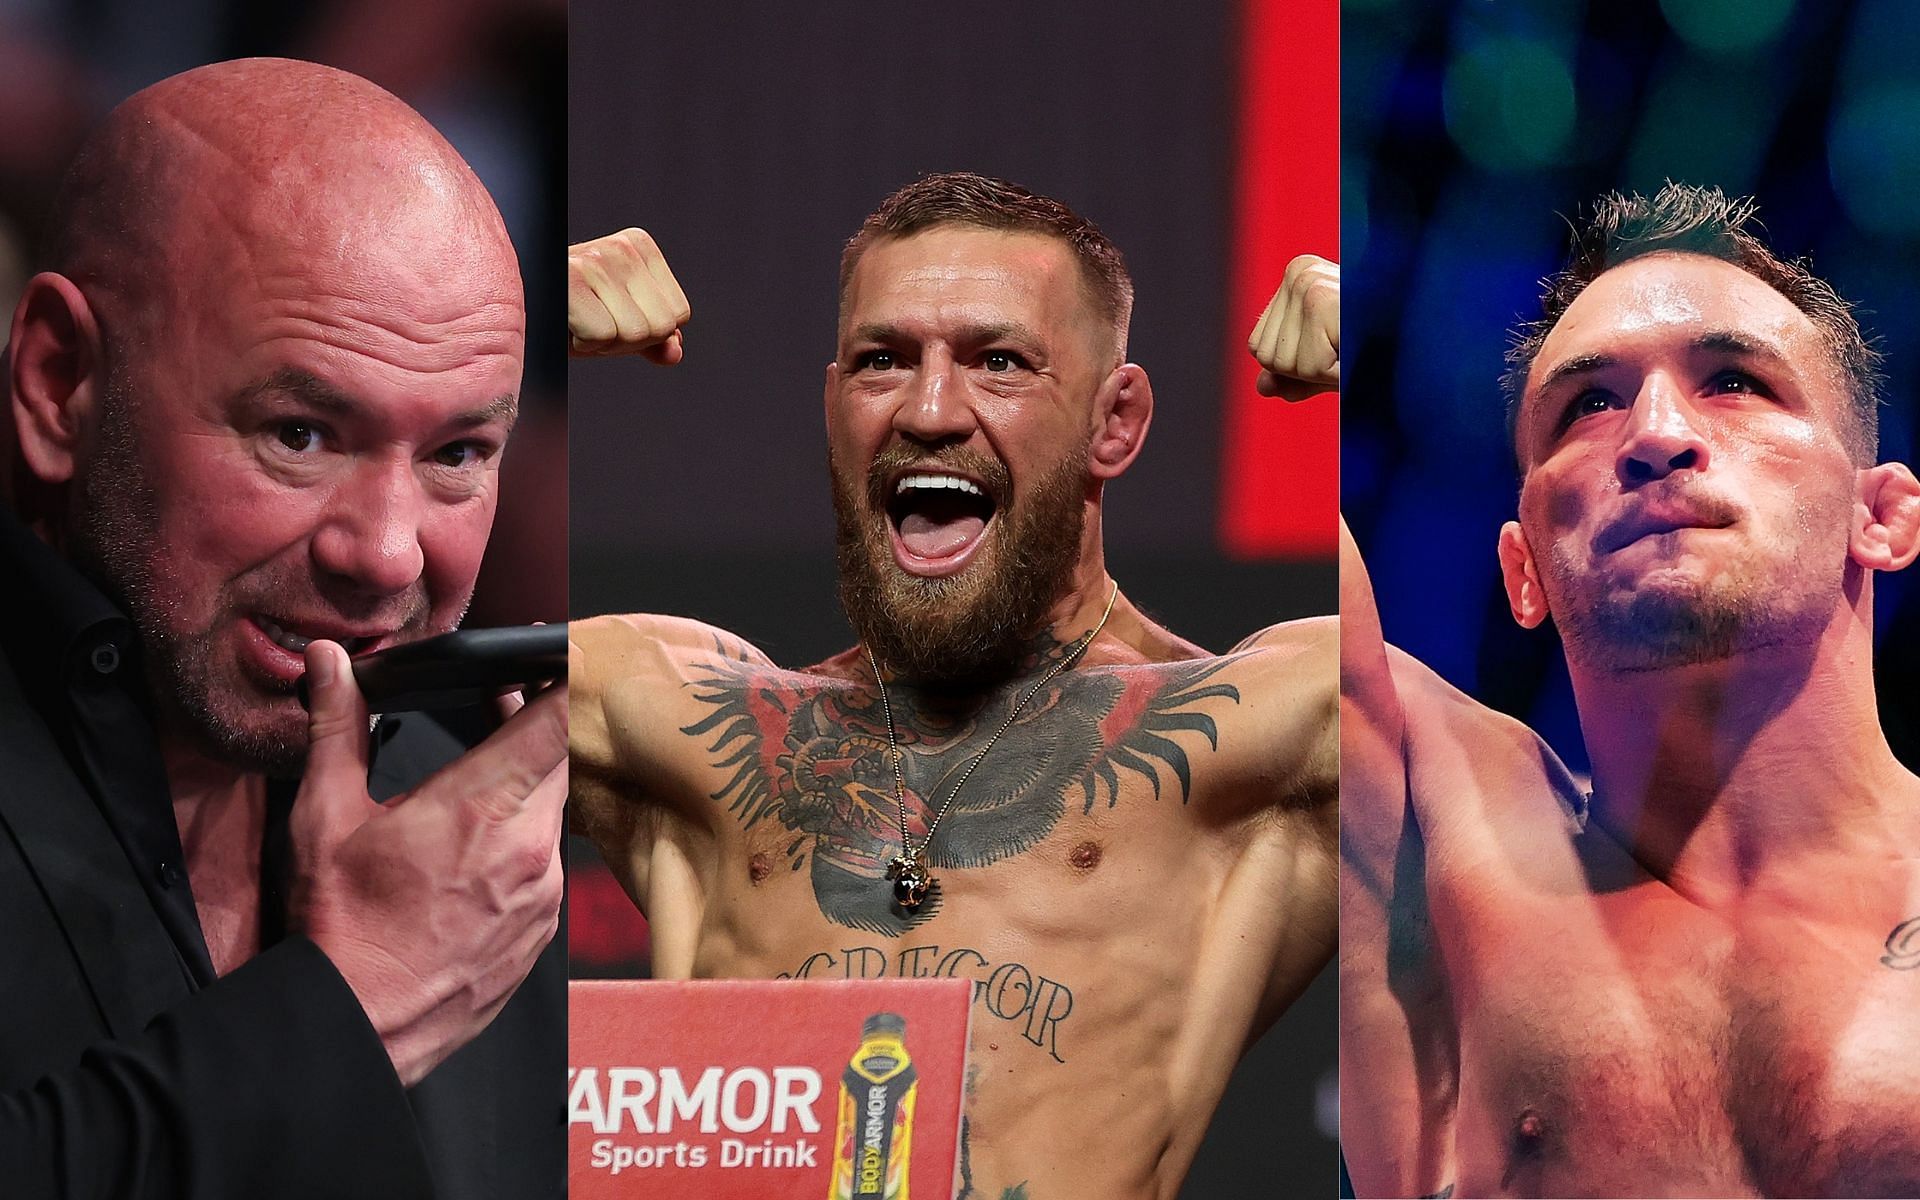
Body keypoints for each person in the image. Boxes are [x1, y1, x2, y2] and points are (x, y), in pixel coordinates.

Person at [567, 172, 1339, 1199]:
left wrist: (1409, 347)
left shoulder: (1236, 744)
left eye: (1000, 363)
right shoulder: (699, 734)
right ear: (833, 406)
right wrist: (506, 322)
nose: (930, 411)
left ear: (1117, 423)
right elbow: (335, 682)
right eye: (883, 361)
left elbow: (1542, 663)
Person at [0, 60, 567, 1198]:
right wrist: (350, 1012)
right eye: (301, 434)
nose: (390, 553)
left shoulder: (478, 849)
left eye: (459, 454)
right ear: (61, 384)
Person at [1340, 183, 1920, 1198]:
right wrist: (1285, 381)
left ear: (1882, 519)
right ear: (1523, 570)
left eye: (1735, 382)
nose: (1655, 433)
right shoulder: (1445, 836)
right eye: (1588, 404)